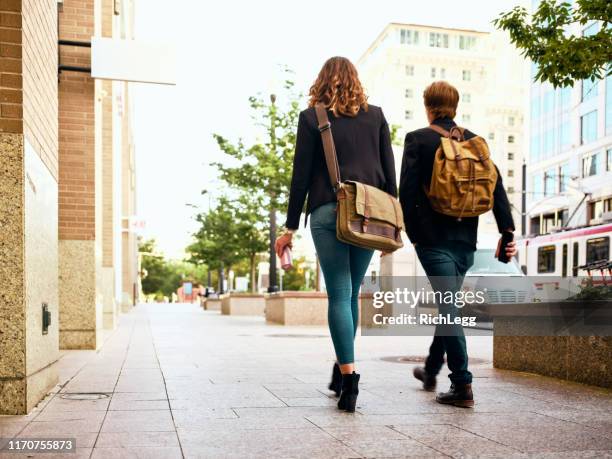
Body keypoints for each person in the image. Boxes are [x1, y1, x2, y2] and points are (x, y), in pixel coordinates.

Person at [275, 56, 397, 412]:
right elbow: (390, 174)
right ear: (355, 80)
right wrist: (392, 222)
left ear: (322, 81)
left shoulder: (312, 117)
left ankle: (349, 379)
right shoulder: (376, 116)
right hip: (368, 215)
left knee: (339, 293)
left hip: (328, 210)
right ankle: (344, 366)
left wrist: (291, 226)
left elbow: (301, 177)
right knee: (351, 293)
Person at [399, 81, 517, 407]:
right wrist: (506, 233)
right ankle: (431, 368)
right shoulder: (475, 142)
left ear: (428, 107)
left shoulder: (418, 140)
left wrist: (414, 235)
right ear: (455, 106)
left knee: (448, 306)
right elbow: (497, 189)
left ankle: (462, 385)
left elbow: (406, 193)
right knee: (448, 303)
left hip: (432, 240)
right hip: (466, 240)